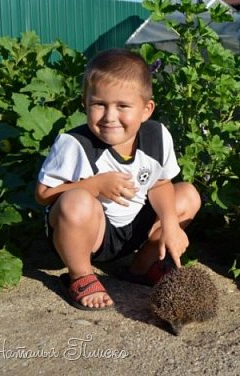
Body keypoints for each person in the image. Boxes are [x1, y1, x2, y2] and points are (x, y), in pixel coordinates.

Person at [35, 48, 201, 310]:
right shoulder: (74, 144)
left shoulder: (157, 136)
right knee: (76, 200)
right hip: (91, 234)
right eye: (99, 104)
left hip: (134, 229)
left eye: (123, 106)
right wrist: (92, 186)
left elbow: (160, 183)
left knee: (187, 194)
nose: (110, 116)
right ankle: (80, 274)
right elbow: (43, 194)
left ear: (146, 110)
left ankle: (143, 266)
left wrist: (170, 223)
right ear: (85, 103)